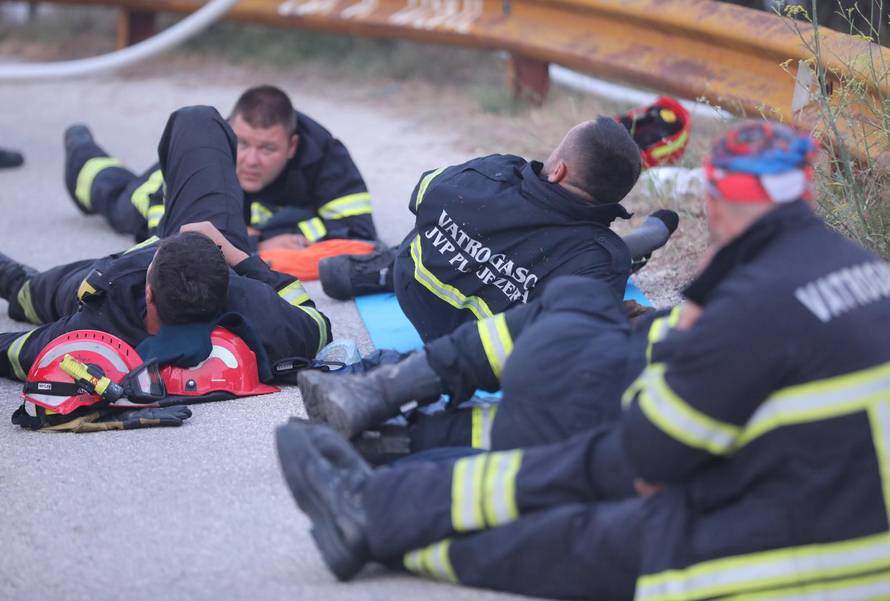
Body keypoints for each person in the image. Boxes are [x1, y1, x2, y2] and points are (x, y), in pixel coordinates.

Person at [275, 120, 890, 598]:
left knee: (574, 526)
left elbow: (645, 460)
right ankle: (386, 481)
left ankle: (376, 516)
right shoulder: (869, 276)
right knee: (581, 431)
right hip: (840, 532)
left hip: (778, 569)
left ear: (722, 208)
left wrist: (695, 320)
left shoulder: (744, 308)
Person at [0, 105, 330, 382]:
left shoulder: (104, 318)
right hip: (195, 256)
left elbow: (16, 351)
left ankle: (16, 282)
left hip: (104, 279)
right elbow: (317, 325)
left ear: (148, 290)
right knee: (200, 121)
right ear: (225, 278)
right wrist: (242, 258)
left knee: (33, 290)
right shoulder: (252, 303)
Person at [322, 117, 667, 342]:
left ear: (559, 170)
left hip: (415, 295)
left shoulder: (492, 172)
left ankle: (372, 272)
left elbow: (422, 195)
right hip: (481, 352)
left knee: (430, 228)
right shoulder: (602, 257)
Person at [297, 274, 662, 463]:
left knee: (583, 301)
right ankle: (384, 441)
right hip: (643, 392)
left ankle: (378, 399)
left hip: (640, 413)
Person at [63, 85, 377, 251]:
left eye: (267, 148)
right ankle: (81, 149)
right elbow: (166, 239)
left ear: (292, 146)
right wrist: (257, 242)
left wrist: (283, 231)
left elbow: (359, 233)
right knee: (114, 195)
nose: (251, 160)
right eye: (242, 143)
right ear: (226, 131)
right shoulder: (205, 152)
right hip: (152, 191)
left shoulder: (325, 156)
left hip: (245, 216)